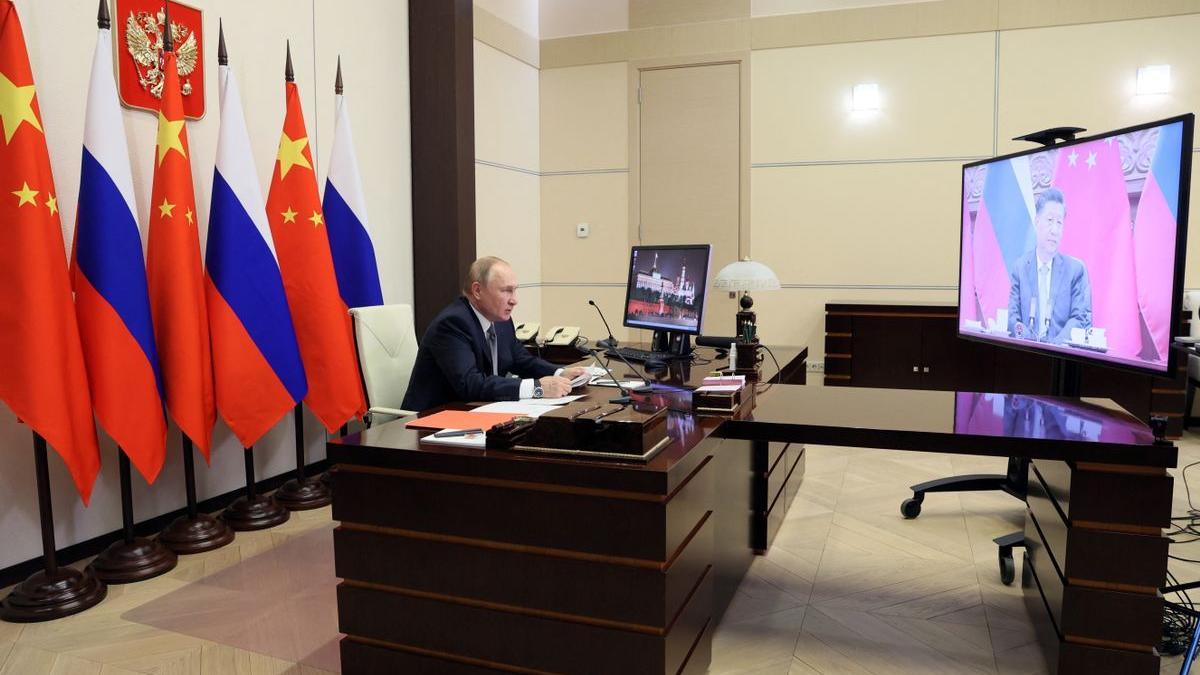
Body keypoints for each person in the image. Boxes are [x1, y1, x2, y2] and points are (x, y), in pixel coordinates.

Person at [401, 256, 587, 412]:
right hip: (429, 422)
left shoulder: (500, 321)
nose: (514, 300)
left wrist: (561, 373)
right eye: (506, 291)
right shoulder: (452, 324)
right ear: (477, 290)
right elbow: (470, 384)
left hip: (478, 413)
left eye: (515, 290)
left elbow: (520, 359)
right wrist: (537, 388)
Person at [1007, 188, 1092, 344]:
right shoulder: (1020, 267)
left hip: (1061, 357)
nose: (1055, 230)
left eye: (1059, 222)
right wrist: (1029, 341)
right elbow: (1013, 317)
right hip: (1026, 353)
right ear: (1037, 221)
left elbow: (1079, 318)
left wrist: (1053, 348)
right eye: (1050, 220)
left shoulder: (1075, 271)